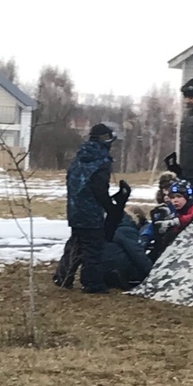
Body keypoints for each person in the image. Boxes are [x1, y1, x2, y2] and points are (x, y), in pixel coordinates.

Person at [65, 123, 118, 294]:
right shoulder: (101, 161)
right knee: (93, 248)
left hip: (74, 208)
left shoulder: (79, 157)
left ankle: (64, 276)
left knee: (76, 243)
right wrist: (111, 208)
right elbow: (99, 189)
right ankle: (92, 283)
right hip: (91, 212)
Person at [144, 180, 193, 262]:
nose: (175, 200)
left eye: (179, 197)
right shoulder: (172, 211)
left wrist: (175, 222)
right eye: (172, 197)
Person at [100, 211, 153, 290]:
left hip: (100, 270)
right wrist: (152, 272)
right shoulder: (126, 230)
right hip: (118, 270)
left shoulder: (102, 229)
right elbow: (136, 253)